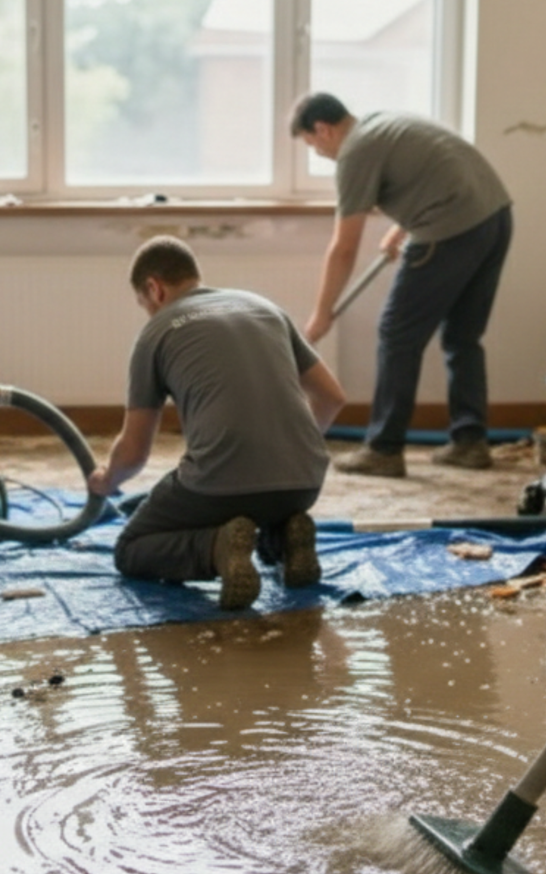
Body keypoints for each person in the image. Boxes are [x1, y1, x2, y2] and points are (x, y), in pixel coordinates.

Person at [87, 236, 346, 611]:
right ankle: (286, 538)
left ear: (153, 289)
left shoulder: (157, 331)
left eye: (144, 304)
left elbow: (135, 450)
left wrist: (107, 479)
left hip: (219, 484)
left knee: (131, 550)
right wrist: (291, 448)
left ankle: (217, 548)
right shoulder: (265, 307)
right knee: (260, 501)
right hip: (305, 481)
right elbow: (332, 397)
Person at [289, 92, 512, 478]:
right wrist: (401, 227)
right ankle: (470, 442)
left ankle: (384, 448)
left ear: (322, 129)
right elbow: (435, 174)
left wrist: (321, 314)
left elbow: (343, 247)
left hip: (450, 230)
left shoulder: (355, 153)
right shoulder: (381, 124)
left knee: (397, 335)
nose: (319, 154)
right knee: (463, 337)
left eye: (312, 145)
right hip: (494, 217)